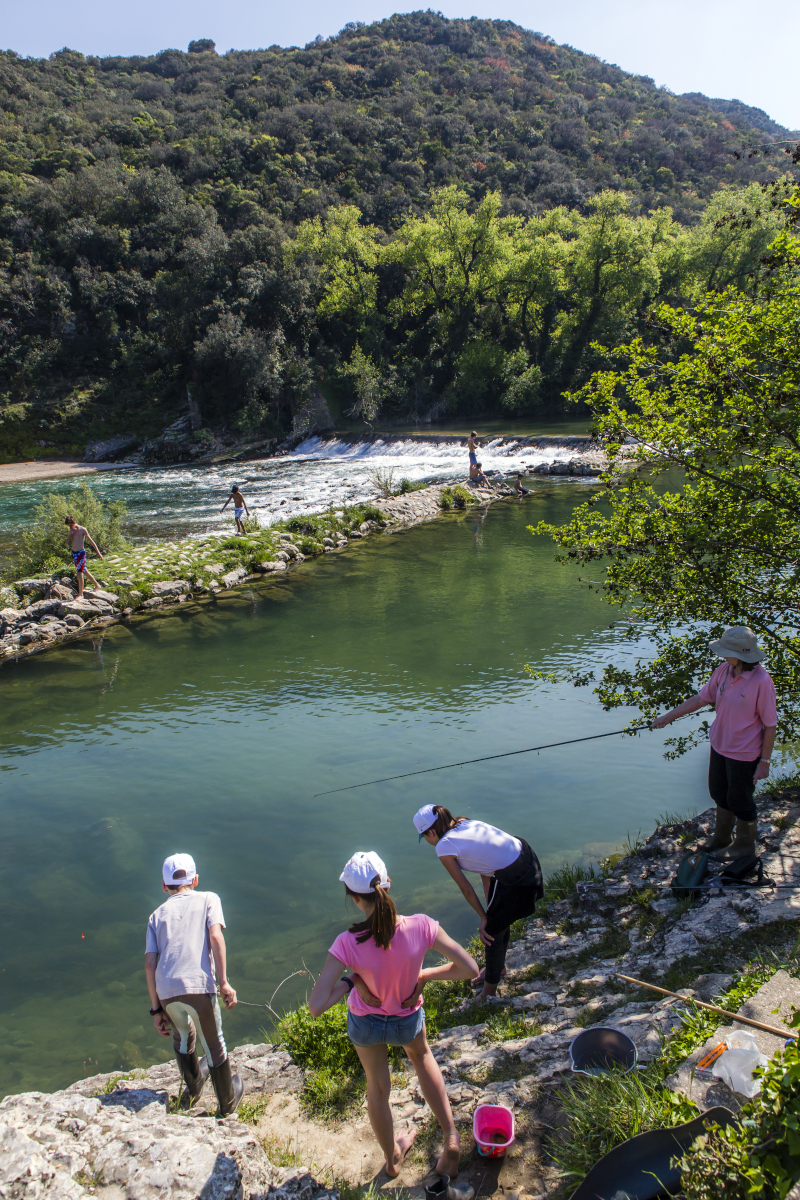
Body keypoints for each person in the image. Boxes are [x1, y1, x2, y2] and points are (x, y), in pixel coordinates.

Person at [308, 851, 477, 1182]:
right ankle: (450, 1136)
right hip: (406, 1019)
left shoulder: (347, 942)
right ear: (388, 885)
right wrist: (424, 976)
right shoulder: (422, 926)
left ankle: (392, 1160)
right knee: (422, 1056)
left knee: (377, 1085)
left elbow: (316, 1006)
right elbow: (469, 968)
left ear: (355, 899)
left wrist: (351, 979)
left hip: (366, 1024)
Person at [651, 626, 777, 858]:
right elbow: (701, 698)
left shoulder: (761, 681)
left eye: (725, 650)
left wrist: (764, 762)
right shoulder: (724, 670)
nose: (721, 654)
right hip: (720, 745)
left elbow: (770, 724)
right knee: (718, 792)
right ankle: (721, 838)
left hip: (745, 752)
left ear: (740, 654)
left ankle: (744, 847)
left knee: (740, 799)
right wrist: (667, 717)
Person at [145, 852, 243, 1115]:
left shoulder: (155, 916)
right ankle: (227, 1105)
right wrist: (223, 982)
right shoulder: (209, 899)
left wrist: (157, 1010)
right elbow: (216, 938)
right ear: (196, 879)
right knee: (214, 1044)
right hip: (198, 986)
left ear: (164, 886)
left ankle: (195, 1085)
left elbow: (149, 965)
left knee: (182, 1034)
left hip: (166, 992)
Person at [413, 806, 543, 1000]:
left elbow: (465, 888)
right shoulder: (464, 823)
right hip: (526, 855)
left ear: (430, 832)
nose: (427, 841)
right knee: (497, 921)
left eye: (424, 837)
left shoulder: (444, 846)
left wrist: (484, 918)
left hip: (517, 876)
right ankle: (497, 968)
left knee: (490, 932)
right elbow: (486, 867)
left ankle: (488, 993)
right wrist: (490, 910)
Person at [65, 516, 103, 597]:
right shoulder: (71, 530)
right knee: (84, 571)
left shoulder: (82, 530)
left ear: (74, 522)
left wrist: (98, 553)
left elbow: (91, 541)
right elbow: (67, 542)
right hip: (74, 553)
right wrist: (70, 534)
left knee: (79, 573)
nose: (70, 527)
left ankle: (80, 594)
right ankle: (97, 585)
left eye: (71, 525)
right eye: (69, 526)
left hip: (81, 553)